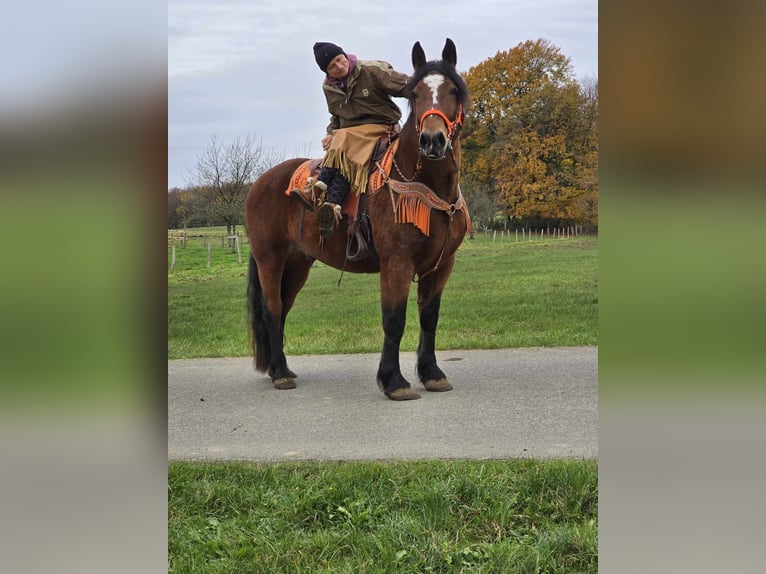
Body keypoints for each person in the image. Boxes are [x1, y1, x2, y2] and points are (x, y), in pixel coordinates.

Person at [291, 42, 409, 238]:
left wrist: (432, 85)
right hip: (351, 137)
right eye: (332, 66)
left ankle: (315, 189)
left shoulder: (372, 70)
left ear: (344, 55)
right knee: (346, 156)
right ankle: (333, 205)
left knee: (343, 137)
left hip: (381, 127)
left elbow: (406, 85)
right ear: (327, 72)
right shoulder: (329, 87)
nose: (338, 66)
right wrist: (330, 133)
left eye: (339, 60)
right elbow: (337, 117)